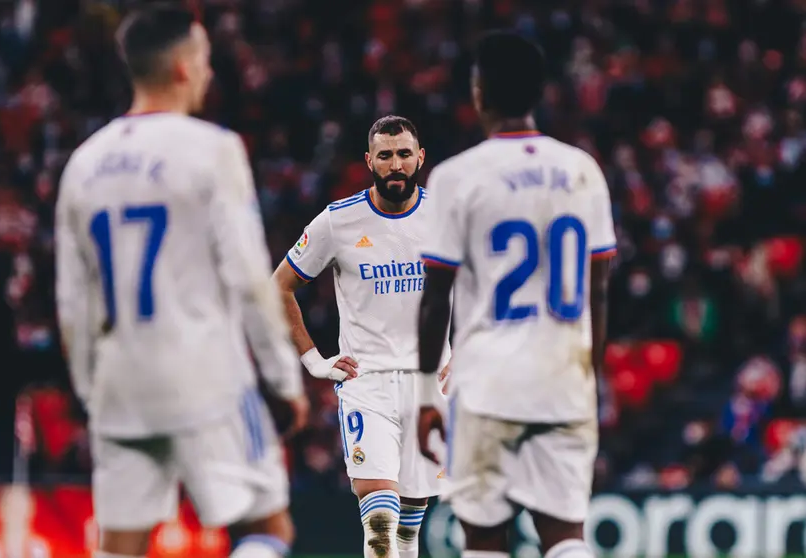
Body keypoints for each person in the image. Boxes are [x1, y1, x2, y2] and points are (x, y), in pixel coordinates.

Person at [54, 5, 307, 558]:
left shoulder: (82, 165)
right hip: (206, 376)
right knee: (265, 530)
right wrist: (284, 379)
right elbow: (247, 280)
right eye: (206, 60)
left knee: (121, 546)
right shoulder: (213, 150)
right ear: (185, 68)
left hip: (120, 382)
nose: (211, 73)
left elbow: (73, 306)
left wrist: (91, 392)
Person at [416, 31, 616, 558]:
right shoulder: (584, 171)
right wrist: (589, 377)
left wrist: (423, 396)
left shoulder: (456, 177)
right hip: (563, 380)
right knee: (566, 535)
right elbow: (598, 294)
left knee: (483, 538)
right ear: (539, 91)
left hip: (487, 384)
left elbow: (436, 300)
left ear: (478, 92)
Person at [272, 115, 450, 558]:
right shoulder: (338, 222)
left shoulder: (446, 217)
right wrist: (313, 360)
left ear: (420, 158)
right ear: (369, 160)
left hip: (432, 385)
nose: (396, 165)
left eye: (404, 155)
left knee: (409, 526)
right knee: (380, 527)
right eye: (386, 156)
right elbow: (277, 287)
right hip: (367, 384)